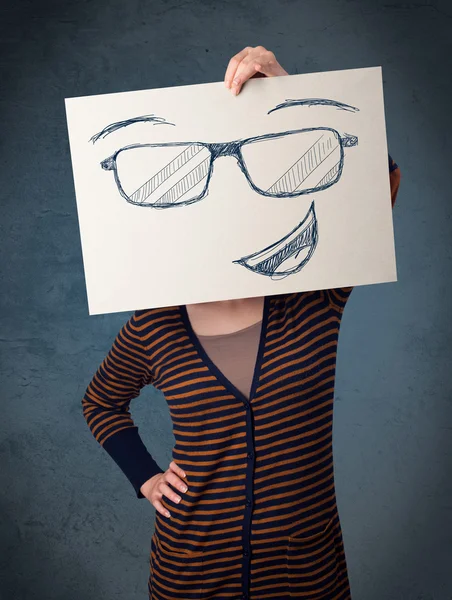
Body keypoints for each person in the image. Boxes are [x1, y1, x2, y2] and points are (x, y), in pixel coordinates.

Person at [82, 46, 401, 600]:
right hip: (191, 573)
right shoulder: (155, 322)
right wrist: (146, 477)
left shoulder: (315, 295)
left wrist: (289, 96)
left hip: (307, 574)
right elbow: (101, 402)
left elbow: (380, 187)